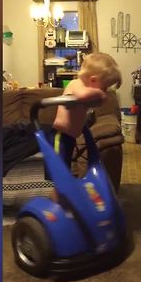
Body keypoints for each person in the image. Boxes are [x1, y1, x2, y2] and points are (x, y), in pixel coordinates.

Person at [48, 52, 122, 199]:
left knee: (66, 171)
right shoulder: (76, 85)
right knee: (60, 174)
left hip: (70, 138)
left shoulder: (87, 87)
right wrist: (100, 95)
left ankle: (68, 198)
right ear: (93, 80)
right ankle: (57, 204)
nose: (105, 91)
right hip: (60, 137)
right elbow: (82, 96)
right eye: (105, 86)